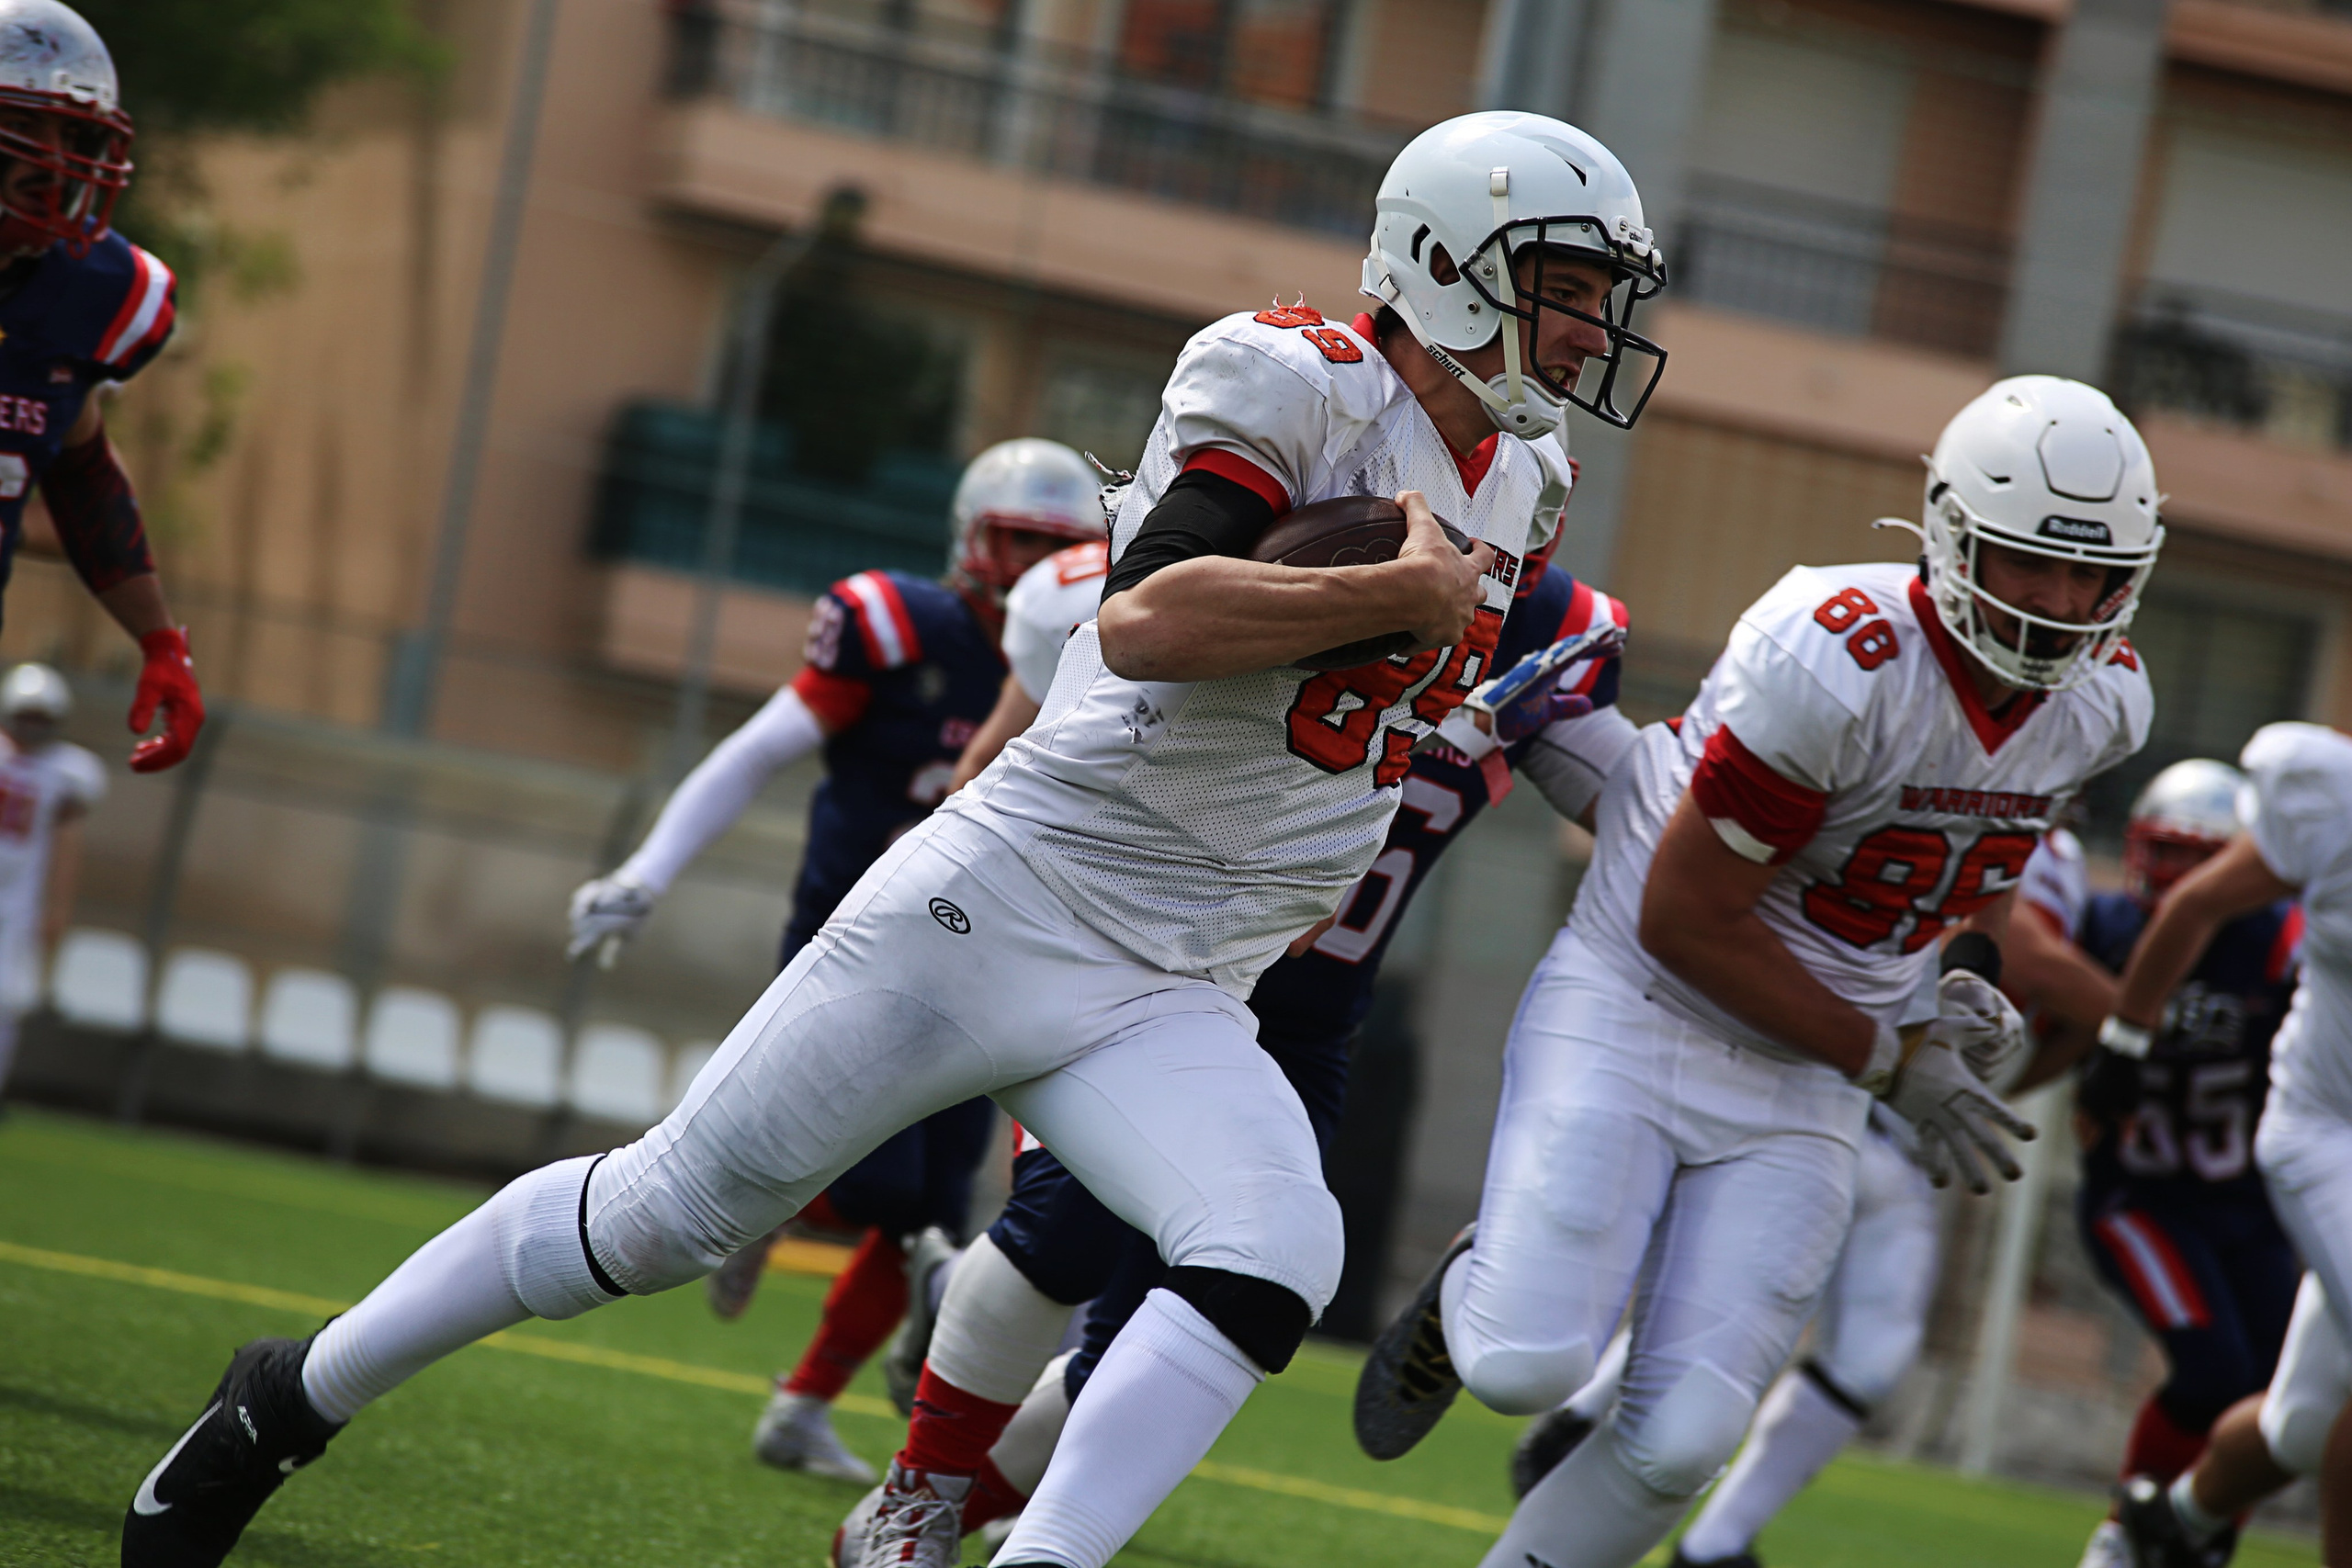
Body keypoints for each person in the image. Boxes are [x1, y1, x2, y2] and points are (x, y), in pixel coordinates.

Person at [122, 107, 1667, 1568]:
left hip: (1184, 974)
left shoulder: (1525, 474)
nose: (1593, 329)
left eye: (1603, 297)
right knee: (666, 1216)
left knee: (1273, 1251)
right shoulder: (1296, 376)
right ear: (1452, 260)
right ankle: (287, 1394)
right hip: (1014, 900)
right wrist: (1383, 594)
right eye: (1571, 287)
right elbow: (1144, 620)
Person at [1354, 374, 2161, 1568]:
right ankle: (1481, 1273)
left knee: (1683, 1438)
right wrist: (1892, 1059)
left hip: (1810, 1073)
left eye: (2087, 575)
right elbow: (1688, 918)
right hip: (1648, 997)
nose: (2055, 605)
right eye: (2023, 560)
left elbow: (1978, 854)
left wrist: (1966, 970)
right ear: (1950, 532)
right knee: (1523, 1364)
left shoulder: (2103, 699)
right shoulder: (1838, 653)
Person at [840, 515, 1633, 1568]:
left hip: (1311, 1017)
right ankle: (918, 1493)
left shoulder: (1559, 627)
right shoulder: (1309, 535)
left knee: (1178, 1322)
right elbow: (1027, 742)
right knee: (1061, 1236)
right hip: (1156, 962)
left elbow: (1627, 799)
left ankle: (971, 1522)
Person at [565, 436, 1105, 1483]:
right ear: (967, 539)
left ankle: (800, 1407)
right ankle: (768, 1206)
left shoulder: (1099, 648)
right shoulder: (896, 626)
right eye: (1015, 539)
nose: (1033, 566)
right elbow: (761, 746)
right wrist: (647, 869)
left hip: (986, 955)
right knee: (886, 1195)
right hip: (851, 940)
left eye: (1057, 545)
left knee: (937, 1208)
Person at [1506, 828, 2099, 1568]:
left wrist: (1987, 1098)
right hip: (1840, 1100)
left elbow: (2068, 1008)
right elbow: (2035, 961)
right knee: (1737, 1299)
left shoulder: (2076, 867)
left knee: (1871, 1358)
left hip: (1907, 1147)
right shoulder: (1978, 806)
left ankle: (1714, 1540)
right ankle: (1580, 1413)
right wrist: (2146, 1018)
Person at [2106, 724, 2352, 1568]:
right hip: (2327, 1132)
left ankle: (2165, 1523)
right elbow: (2199, 901)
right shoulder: (2335, 792)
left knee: (2300, 1424)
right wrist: (2124, 1044)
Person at [2056, 761, 2301, 1568]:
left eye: (2201, 860)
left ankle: (2201, 1543)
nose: (2177, 878)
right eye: (2165, 852)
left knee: (2279, 1397)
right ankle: (2126, 1538)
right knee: (2215, 1371)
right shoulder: (2107, 928)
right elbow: (2047, 1017)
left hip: (2251, 1206)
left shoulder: (2275, 943)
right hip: (2142, 1197)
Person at [0, 2, 204, 776]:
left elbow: (77, 460)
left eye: (77, 136)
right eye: (27, 126)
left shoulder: (94, 296)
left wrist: (159, 638)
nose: (56, 161)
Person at [0, 661, 100, 1100]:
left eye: (42, 718)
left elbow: (67, 843)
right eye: (28, 715)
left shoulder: (67, 771)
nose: (32, 727)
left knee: (5, 1000)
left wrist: (57, 909)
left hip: (18, 900)